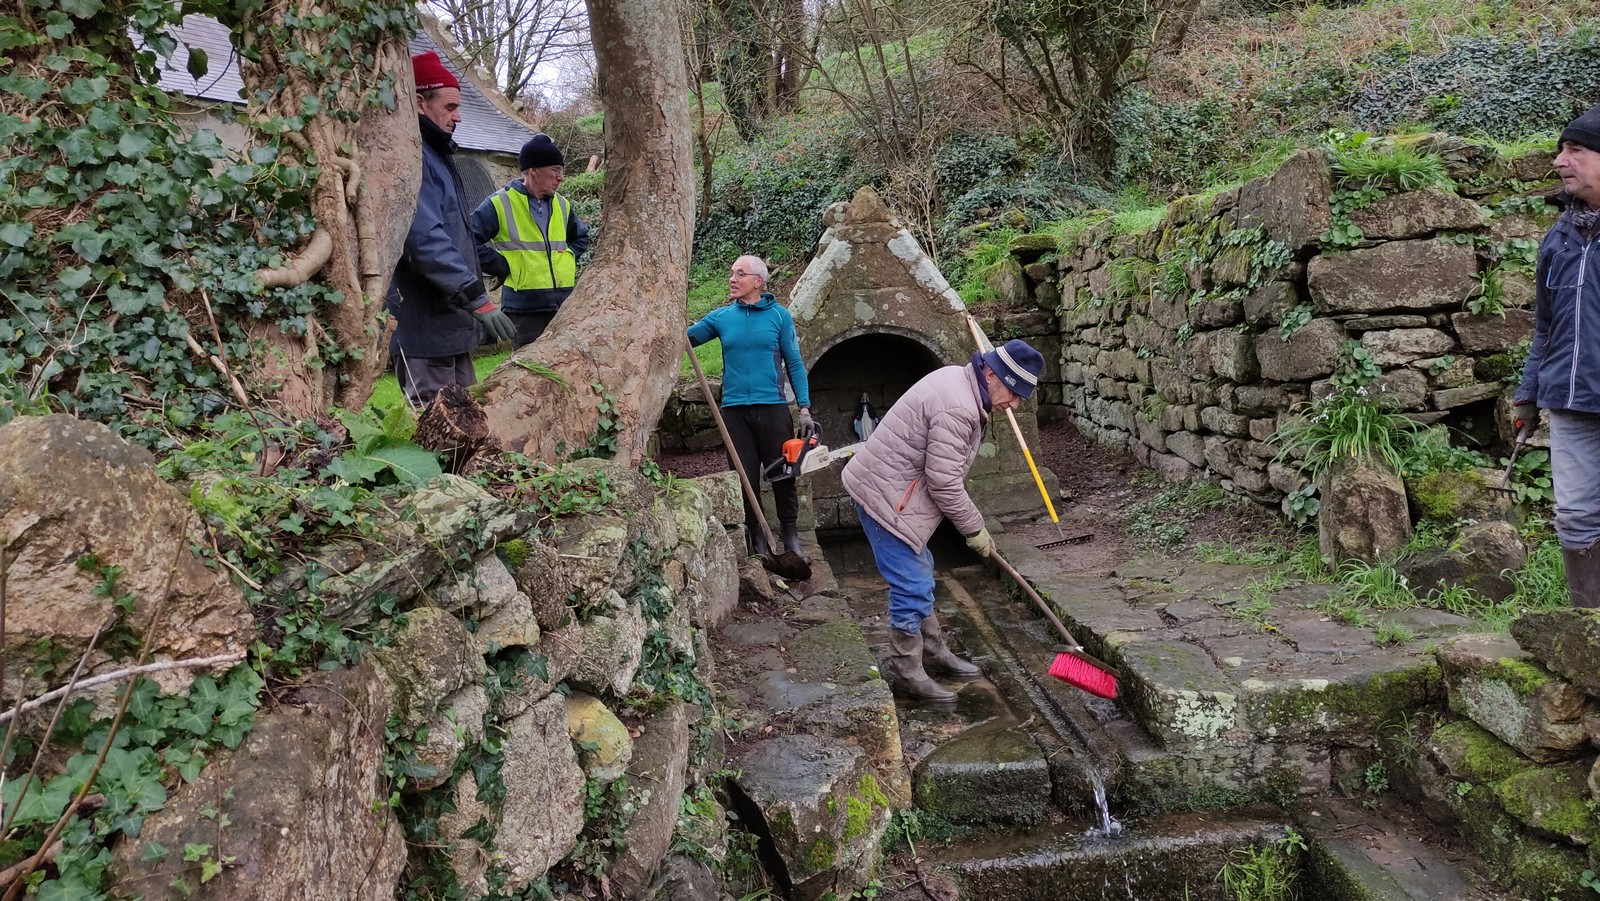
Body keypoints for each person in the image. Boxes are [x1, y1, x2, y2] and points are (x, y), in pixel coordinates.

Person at [842, 339, 1046, 701]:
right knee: (910, 584)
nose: (1013, 404)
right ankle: (907, 670)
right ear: (991, 373)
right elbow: (944, 481)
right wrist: (975, 530)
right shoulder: (959, 407)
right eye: (1013, 393)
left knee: (920, 569)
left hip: (892, 488)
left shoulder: (960, 380)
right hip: (885, 497)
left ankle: (934, 650)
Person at [386, 51, 516, 405]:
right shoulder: (414, 158)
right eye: (450, 106)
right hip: (424, 330)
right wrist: (477, 299)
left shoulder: (439, 156)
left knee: (466, 427)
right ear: (418, 103)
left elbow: (453, 230)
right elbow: (424, 239)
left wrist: (488, 259)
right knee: (436, 429)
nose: (458, 116)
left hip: (451, 328)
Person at [1514, 101, 1600, 609]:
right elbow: (1545, 326)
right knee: (1573, 515)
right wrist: (1528, 394)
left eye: (1575, 149)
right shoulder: (1560, 238)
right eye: (1560, 149)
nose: (1559, 161)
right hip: (1570, 400)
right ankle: (1589, 632)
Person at [688, 256, 815, 559]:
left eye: (740, 274)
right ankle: (757, 541)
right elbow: (685, 340)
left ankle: (790, 537)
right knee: (744, 477)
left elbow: (795, 364)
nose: (732, 279)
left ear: (758, 281)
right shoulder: (721, 318)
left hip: (773, 409)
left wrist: (806, 409)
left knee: (784, 474)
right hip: (734, 412)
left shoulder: (779, 317)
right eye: (731, 273)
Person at [471, 134, 591, 348]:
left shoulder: (563, 205)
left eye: (561, 171)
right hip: (524, 311)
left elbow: (581, 237)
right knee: (530, 374)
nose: (561, 177)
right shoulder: (501, 203)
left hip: (563, 305)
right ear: (534, 170)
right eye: (555, 170)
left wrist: (568, 258)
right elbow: (468, 241)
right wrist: (502, 265)